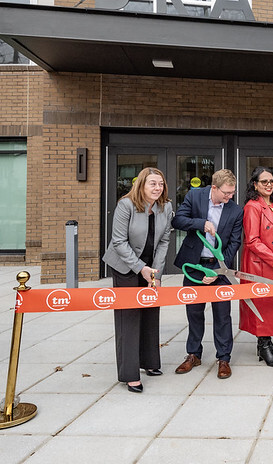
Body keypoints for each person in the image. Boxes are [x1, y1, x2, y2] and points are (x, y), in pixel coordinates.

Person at [102, 167, 173, 393]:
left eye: (160, 184)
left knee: (151, 312)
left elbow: (164, 241)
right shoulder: (126, 205)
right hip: (125, 266)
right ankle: (130, 374)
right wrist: (141, 268)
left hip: (150, 266)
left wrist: (156, 274)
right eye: (152, 183)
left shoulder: (166, 207)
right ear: (141, 185)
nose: (157, 188)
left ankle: (150, 362)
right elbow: (119, 242)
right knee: (130, 317)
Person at [171, 169, 243, 379]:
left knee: (222, 315)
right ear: (214, 188)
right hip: (194, 265)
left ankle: (224, 358)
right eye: (226, 193)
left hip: (219, 268)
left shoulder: (236, 210)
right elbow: (178, 221)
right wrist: (200, 224)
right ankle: (193, 354)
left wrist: (219, 270)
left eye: (232, 192)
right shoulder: (195, 196)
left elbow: (234, 243)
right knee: (194, 312)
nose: (229, 197)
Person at [239, 166, 273, 368]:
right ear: (255, 185)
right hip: (262, 264)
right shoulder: (252, 207)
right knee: (263, 305)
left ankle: (267, 342)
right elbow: (252, 241)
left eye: (271, 181)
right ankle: (263, 347)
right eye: (264, 182)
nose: (269, 185)